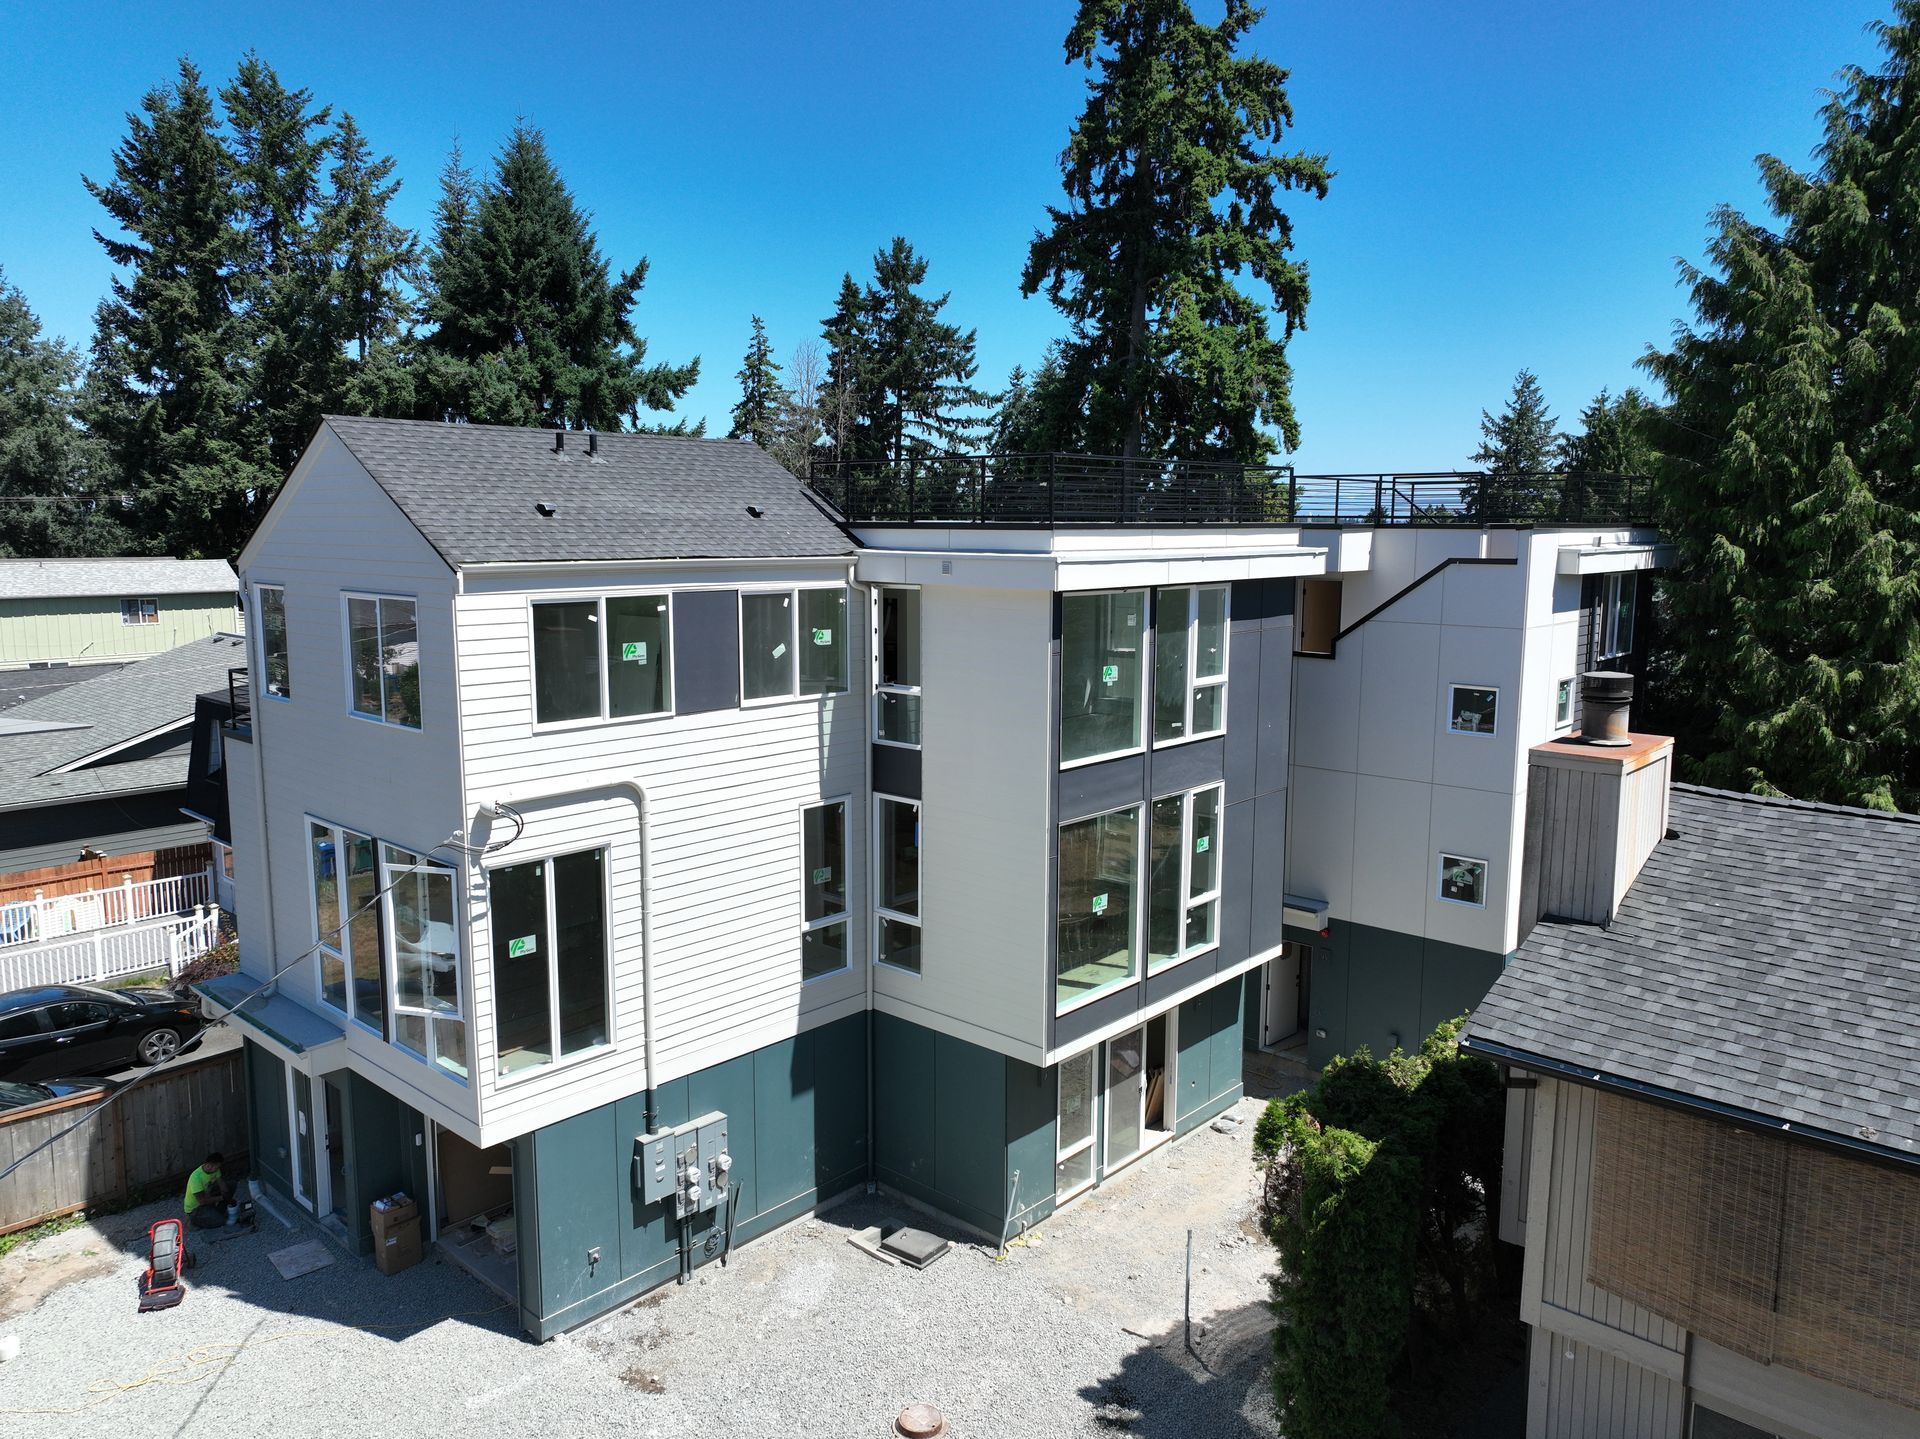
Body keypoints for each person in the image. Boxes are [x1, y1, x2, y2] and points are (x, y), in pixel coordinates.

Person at [183, 1151, 231, 1230]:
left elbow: (221, 1182)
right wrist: (222, 1198)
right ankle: (193, 1221)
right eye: (217, 1167)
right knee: (221, 1221)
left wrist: (225, 1191)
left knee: (231, 1185)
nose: (218, 1169)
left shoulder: (215, 1170)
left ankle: (216, 1212)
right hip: (195, 1208)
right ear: (209, 1165)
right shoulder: (196, 1178)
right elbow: (202, 1201)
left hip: (207, 1196)